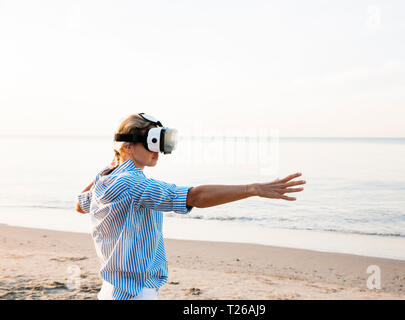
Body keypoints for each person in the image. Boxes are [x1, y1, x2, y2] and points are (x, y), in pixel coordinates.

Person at [75, 113, 306, 300]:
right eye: (151, 142)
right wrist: (252, 189)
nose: (157, 150)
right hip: (135, 292)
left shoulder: (107, 179)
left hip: (113, 289)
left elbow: (80, 203)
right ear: (128, 146)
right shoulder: (133, 183)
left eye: (160, 143)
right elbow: (194, 196)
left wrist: (113, 165)